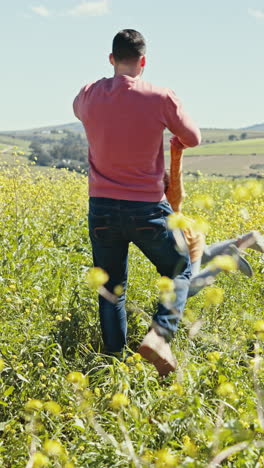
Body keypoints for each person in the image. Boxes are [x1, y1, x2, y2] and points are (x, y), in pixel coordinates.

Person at [73, 29, 249, 376]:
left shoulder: (88, 94)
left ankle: (114, 366)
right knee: (180, 267)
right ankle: (159, 335)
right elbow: (192, 138)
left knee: (111, 290)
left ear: (111, 59)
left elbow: (81, 110)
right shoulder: (159, 96)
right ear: (143, 61)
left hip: (102, 207)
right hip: (148, 209)